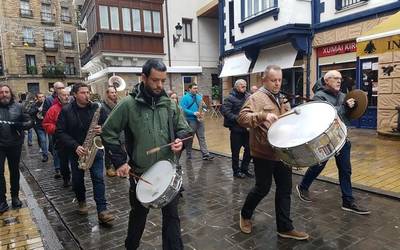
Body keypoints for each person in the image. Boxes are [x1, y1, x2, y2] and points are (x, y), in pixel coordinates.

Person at [101, 59, 192, 249]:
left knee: (172, 218)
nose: (160, 85)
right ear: (143, 78)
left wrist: (180, 142)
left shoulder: (169, 104)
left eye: (163, 80)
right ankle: (131, 246)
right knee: (138, 216)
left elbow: (185, 129)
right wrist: (119, 162)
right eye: (155, 80)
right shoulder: (128, 104)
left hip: (168, 173)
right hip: (140, 175)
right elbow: (108, 132)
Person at [237, 65, 309, 240]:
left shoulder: (283, 98)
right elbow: (242, 118)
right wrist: (262, 116)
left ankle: (285, 227)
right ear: (264, 80)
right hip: (263, 152)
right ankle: (245, 214)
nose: (277, 83)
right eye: (273, 80)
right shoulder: (256, 98)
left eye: (279, 80)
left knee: (285, 189)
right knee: (263, 188)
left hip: (282, 153)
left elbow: (288, 121)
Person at [296, 70, 370, 215]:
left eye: (340, 79)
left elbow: (348, 115)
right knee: (318, 165)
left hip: (342, 138)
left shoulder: (344, 96)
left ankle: (348, 201)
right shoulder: (319, 96)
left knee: (345, 169)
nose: (339, 81)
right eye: (335, 78)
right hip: (325, 139)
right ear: (327, 80)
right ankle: (303, 186)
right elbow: (325, 114)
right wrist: (344, 107)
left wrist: (357, 106)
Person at [56, 83, 114, 225]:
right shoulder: (66, 110)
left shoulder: (96, 107)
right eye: (83, 93)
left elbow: (108, 123)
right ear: (74, 94)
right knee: (77, 180)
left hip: (94, 149)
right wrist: (75, 146)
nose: (87, 95)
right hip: (76, 150)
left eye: (88, 92)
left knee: (98, 179)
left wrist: (102, 128)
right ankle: (81, 202)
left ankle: (102, 210)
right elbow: (60, 132)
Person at [0, 84, 33, 213]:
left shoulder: (19, 107)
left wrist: (20, 125)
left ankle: (15, 197)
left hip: (14, 144)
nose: (4, 94)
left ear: (10, 93)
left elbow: (30, 122)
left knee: (14, 171)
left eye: (6, 92)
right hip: (0, 145)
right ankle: (2, 200)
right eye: (1, 92)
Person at [221, 79, 253, 179]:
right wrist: (238, 118)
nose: (245, 88)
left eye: (245, 86)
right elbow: (225, 111)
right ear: (236, 87)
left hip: (246, 129)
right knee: (235, 152)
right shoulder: (230, 98)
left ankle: (244, 168)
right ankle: (236, 171)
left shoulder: (248, 96)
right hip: (236, 129)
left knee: (249, 149)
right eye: (242, 86)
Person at [43, 89, 71, 187]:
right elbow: (46, 124)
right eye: (64, 95)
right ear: (58, 96)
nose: (66, 97)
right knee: (63, 162)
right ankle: (66, 178)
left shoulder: (74, 107)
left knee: (75, 162)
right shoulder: (53, 109)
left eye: (68, 95)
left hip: (74, 140)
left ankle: (76, 180)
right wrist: (58, 129)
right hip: (60, 140)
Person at [179, 84, 214, 160]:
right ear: (189, 89)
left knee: (202, 137)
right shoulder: (185, 98)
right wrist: (193, 113)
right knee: (190, 138)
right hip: (190, 120)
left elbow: (204, 107)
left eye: (197, 88)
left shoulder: (199, 97)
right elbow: (183, 109)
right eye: (194, 88)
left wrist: (203, 112)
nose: (196, 90)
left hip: (200, 120)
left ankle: (205, 154)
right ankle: (188, 154)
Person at [44, 82, 65, 179]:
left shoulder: (69, 98)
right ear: (55, 89)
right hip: (54, 129)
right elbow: (45, 113)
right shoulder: (49, 100)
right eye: (59, 88)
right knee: (55, 148)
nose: (61, 89)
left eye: (62, 87)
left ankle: (66, 170)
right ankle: (58, 168)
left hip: (66, 130)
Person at [101, 86, 120, 177]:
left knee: (119, 151)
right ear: (107, 94)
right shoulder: (103, 106)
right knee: (108, 152)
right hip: (108, 132)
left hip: (119, 131)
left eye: (115, 92)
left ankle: (118, 167)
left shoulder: (119, 103)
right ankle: (108, 168)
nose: (114, 94)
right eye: (112, 92)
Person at [28, 93, 49, 162]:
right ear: (37, 98)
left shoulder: (47, 103)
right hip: (39, 126)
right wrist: (37, 109)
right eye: (40, 97)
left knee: (50, 142)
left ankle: (49, 151)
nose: (41, 98)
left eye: (43, 97)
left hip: (48, 124)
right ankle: (45, 155)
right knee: (43, 140)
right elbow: (30, 112)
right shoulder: (34, 105)